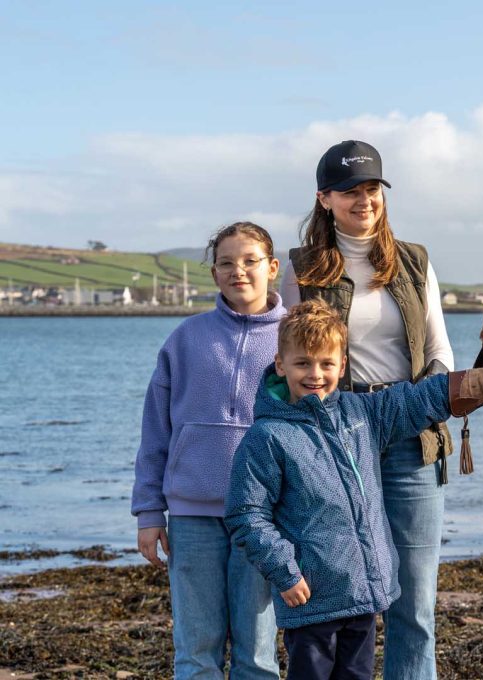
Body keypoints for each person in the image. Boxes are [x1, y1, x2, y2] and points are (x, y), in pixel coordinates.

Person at [224, 299, 483, 680]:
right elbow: (246, 514)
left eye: (327, 364)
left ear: (342, 365)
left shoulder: (361, 414)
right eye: (302, 363)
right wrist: (285, 572)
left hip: (363, 598)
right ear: (281, 365)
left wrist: (482, 382)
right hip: (310, 600)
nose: (315, 374)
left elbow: (415, 400)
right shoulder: (267, 437)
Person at [279, 139, 454, 679]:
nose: (364, 200)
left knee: (414, 603)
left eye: (372, 188)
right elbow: (282, 358)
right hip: (333, 443)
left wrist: (427, 399)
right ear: (324, 198)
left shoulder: (414, 260)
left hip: (408, 434)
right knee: (338, 597)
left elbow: (440, 349)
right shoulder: (300, 269)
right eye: (349, 190)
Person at [131, 222, 284, 679]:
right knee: (195, 651)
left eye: (250, 261)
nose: (239, 271)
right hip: (192, 517)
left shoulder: (296, 338)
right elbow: (155, 432)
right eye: (226, 263)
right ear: (214, 273)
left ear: (272, 268)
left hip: (263, 517)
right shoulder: (185, 338)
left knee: (257, 654)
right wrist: (149, 512)